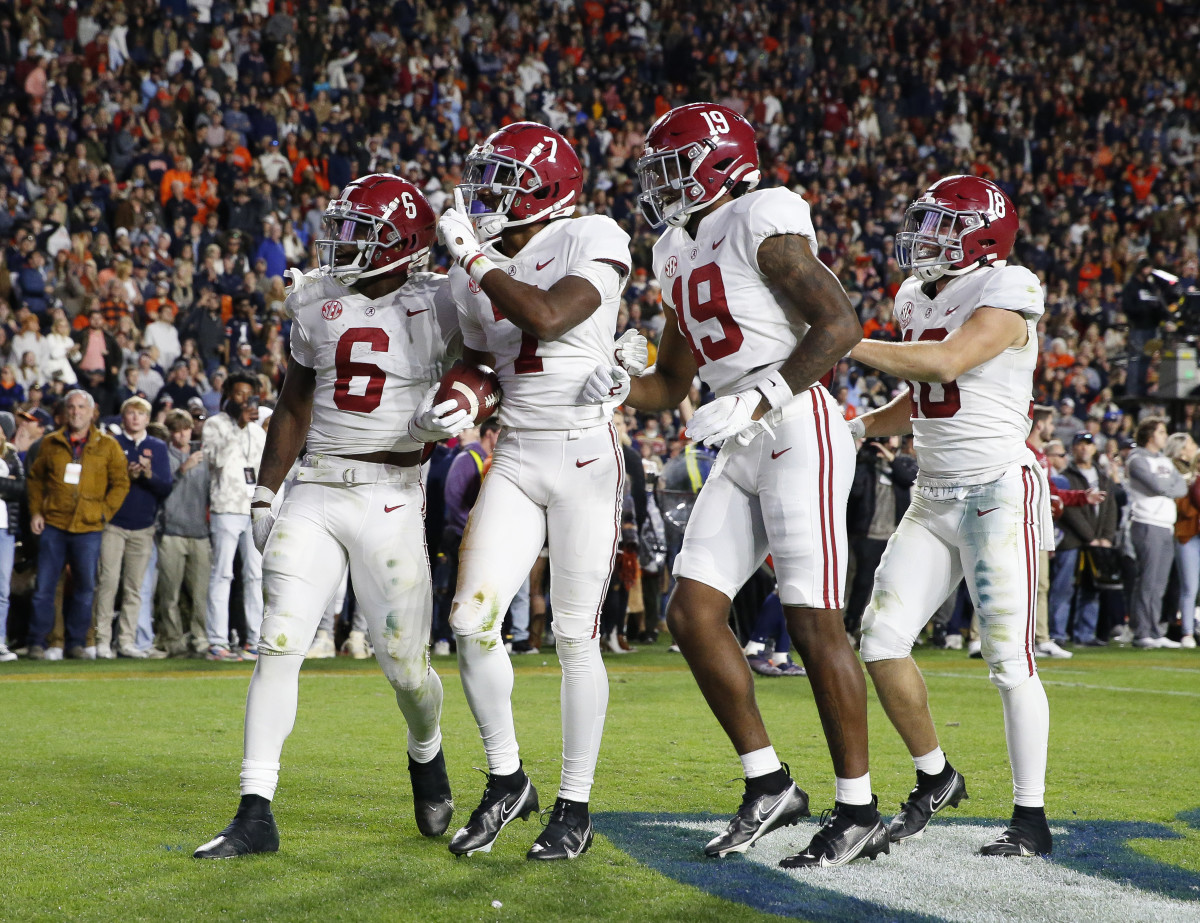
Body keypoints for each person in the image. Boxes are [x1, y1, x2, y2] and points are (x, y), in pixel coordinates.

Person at [592, 103, 881, 867]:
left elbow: (839, 325)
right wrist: (620, 375)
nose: (659, 184)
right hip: (738, 430)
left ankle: (859, 805)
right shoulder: (674, 249)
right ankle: (770, 783)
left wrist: (761, 396)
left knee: (815, 622)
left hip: (795, 422)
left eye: (671, 165)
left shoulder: (762, 214)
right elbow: (673, 383)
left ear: (719, 161)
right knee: (691, 612)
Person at [195, 174, 460, 859]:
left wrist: (455, 410)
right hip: (316, 485)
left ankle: (425, 748)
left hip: (394, 491)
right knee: (278, 640)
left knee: (405, 668)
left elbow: (487, 369)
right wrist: (265, 488)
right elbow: (293, 401)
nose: (342, 243)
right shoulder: (316, 299)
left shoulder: (443, 303)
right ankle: (256, 809)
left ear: (402, 246)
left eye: (361, 232)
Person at [427, 121, 638, 861]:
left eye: (502, 182)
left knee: (575, 633)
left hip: (584, 450)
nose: (485, 196)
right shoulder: (471, 270)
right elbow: (485, 363)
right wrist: (461, 399)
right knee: (469, 618)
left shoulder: (594, 233)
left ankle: (575, 805)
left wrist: (476, 258)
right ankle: (508, 777)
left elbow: (548, 316)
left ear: (545, 188)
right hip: (515, 450)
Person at [849, 175, 1054, 857]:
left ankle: (1030, 819)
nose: (927, 238)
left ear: (982, 237)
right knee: (878, 640)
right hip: (933, 494)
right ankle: (936, 775)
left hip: (995, 491)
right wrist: (851, 426)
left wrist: (840, 339)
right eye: (926, 224)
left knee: (1009, 660)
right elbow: (922, 398)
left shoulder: (1010, 288)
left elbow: (945, 362)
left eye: (943, 227)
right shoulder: (915, 296)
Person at [25, 390, 130, 659]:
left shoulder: (108, 445)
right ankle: (39, 642)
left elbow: (121, 482)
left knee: (85, 589)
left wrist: (104, 512)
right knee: (45, 588)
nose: (76, 412)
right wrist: (36, 511)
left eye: (81, 407)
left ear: (92, 411)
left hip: (89, 526)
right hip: (54, 523)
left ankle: (77, 643)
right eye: (71, 407)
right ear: (64, 411)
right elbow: (35, 480)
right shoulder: (49, 443)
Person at [92, 396, 173, 658]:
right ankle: (102, 639)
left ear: (148, 419)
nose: (135, 417)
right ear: (123, 416)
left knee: (134, 587)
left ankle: (126, 640)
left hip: (143, 525)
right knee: (107, 582)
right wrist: (124, 473)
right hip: (114, 523)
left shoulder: (157, 447)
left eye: (140, 413)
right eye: (131, 413)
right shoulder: (111, 444)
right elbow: (99, 482)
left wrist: (148, 475)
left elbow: (165, 487)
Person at [202, 370, 266, 661]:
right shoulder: (215, 424)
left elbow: (262, 470)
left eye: (247, 395)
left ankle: (254, 641)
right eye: (238, 394)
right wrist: (238, 426)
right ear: (228, 395)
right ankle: (217, 641)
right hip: (225, 508)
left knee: (255, 576)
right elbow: (215, 460)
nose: (243, 400)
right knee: (223, 574)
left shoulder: (257, 431)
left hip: (251, 510)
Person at [432, 419, 501, 657]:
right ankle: (442, 636)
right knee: (453, 588)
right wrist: (475, 528)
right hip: (460, 535)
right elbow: (454, 500)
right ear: (490, 434)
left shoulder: (493, 462)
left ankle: (471, 636)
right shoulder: (466, 459)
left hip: (480, 537)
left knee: (479, 590)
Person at [154, 409, 211, 657]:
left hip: (200, 532)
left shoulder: (204, 455)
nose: (182, 434)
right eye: (176, 430)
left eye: (185, 429)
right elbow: (159, 488)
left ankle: (200, 639)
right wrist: (182, 470)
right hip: (171, 532)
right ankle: (173, 641)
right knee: (170, 594)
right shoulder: (163, 455)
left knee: (200, 595)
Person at [1051, 433, 1118, 647]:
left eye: (1088, 445)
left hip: (1097, 541)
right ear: (1073, 449)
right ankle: (1057, 633)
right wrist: (1091, 537)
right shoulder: (1065, 476)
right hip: (1072, 541)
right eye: (1079, 444)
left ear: (1094, 449)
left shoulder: (1103, 477)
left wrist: (1106, 537)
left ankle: (1085, 634)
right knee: (1063, 587)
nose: (1084, 449)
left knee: (1092, 588)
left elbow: (1110, 508)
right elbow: (1070, 512)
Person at [1126, 417, 1187, 648]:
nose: (1165, 436)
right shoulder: (1137, 460)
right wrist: (1168, 487)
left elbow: (1181, 487)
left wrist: (1167, 487)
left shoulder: (1165, 460)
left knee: (1159, 582)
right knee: (1148, 580)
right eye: (1161, 432)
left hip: (1165, 524)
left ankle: (1154, 629)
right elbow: (1158, 486)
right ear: (1150, 435)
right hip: (1146, 522)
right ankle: (1141, 632)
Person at [0, 412, 23, 662]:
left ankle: (0, 641)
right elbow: (12, 487)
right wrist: (7, 484)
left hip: (5, 529)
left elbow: (21, 489)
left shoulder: (12, 457)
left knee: (2, 589)